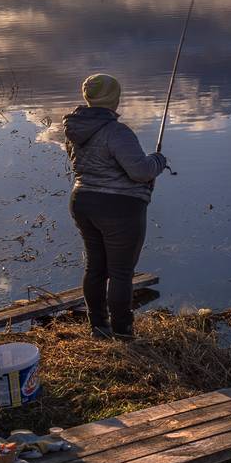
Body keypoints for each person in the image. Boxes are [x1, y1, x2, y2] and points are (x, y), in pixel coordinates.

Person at [64, 73, 166, 339]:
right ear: (115, 99)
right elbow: (140, 172)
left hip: (83, 201)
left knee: (95, 268)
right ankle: (123, 332)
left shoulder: (75, 128)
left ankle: (98, 327)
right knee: (121, 272)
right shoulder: (116, 132)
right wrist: (159, 160)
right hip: (119, 207)